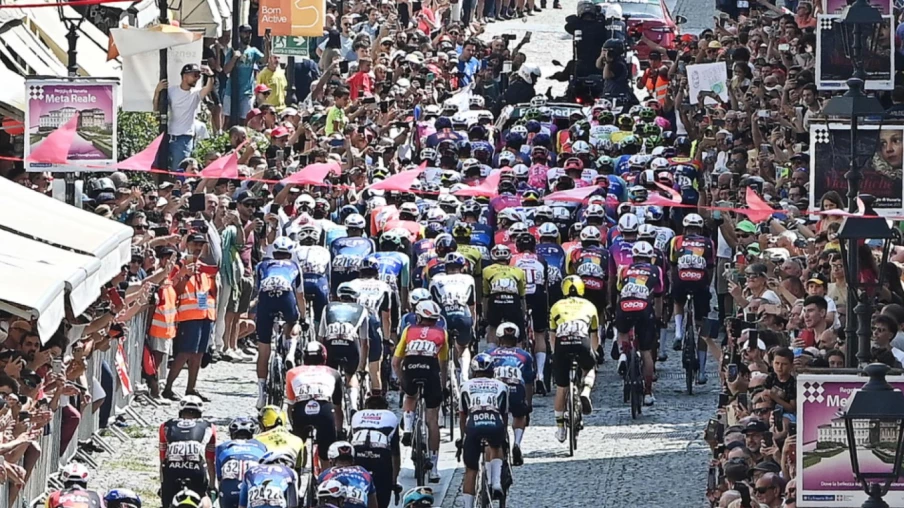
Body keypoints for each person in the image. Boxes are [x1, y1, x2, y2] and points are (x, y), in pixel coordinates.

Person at [392, 300, 448, 483]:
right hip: (430, 369)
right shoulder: (442, 333)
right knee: (432, 418)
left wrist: (402, 381)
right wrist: (443, 384)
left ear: (418, 316)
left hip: (411, 366)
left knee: (410, 395)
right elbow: (443, 362)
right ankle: (434, 467)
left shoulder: (409, 330)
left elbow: (395, 362)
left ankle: (408, 429)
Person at [162, 233, 218, 402]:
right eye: (195, 244)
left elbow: (210, 292)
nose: (198, 248)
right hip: (188, 316)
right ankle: (168, 388)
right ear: (188, 244)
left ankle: (191, 389)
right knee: (184, 352)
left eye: (201, 245)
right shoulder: (180, 265)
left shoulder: (204, 268)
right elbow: (174, 290)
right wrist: (185, 274)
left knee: (199, 354)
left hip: (205, 314)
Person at [254, 236, 307, 408]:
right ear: (290, 253)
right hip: (286, 296)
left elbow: (257, 290)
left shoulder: (261, 265)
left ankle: (262, 392)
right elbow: (300, 295)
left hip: (266, 299)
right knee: (294, 322)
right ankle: (290, 352)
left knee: (264, 348)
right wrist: (303, 318)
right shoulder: (294, 266)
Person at [613, 241, 665, 406]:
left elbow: (619, 291)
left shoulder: (624, 270)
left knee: (622, 331)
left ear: (633, 258)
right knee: (646, 352)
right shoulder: (657, 270)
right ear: (651, 258)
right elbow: (658, 296)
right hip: (644, 309)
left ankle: (623, 353)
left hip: (624, 307)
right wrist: (658, 317)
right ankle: (648, 392)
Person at [549, 276, 599, 442]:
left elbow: (552, 336)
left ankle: (560, 428)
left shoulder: (556, 306)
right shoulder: (590, 306)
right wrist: (594, 352)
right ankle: (585, 392)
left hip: (562, 343)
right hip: (582, 342)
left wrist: (556, 355)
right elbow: (594, 336)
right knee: (590, 368)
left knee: (561, 388)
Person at [669, 213, 715, 384]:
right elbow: (710, 267)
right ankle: (702, 371)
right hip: (700, 281)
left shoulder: (677, 240)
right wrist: (706, 287)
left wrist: (673, 286)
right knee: (702, 324)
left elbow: (672, 264)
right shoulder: (708, 242)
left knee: (678, 302)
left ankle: (679, 333)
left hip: (681, 279)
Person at [458, 353, 509, 507]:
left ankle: (468, 505)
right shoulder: (501, 386)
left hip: (473, 425)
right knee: (496, 445)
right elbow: (504, 414)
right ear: (492, 370)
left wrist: (463, 437)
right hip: (495, 422)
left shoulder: (465, 386)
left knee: (471, 470)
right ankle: (496, 483)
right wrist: (503, 436)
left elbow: (462, 415)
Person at [286, 341, 343, 465]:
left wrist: (294, 426)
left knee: (298, 444)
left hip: (301, 410)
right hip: (324, 410)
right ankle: (325, 476)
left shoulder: (292, 373)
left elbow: (290, 406)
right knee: (326, 454)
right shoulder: (334, 373)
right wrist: (339, 431)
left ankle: (298, 467)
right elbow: (338, 408)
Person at [319, 283, 370, 421]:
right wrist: (362, 366)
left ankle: (338, 426)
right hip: (350, 344)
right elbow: (365, 342)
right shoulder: (362, 309)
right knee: (351, 374)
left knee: (332, 379)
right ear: (355, 298)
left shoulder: (327, 308)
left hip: (331, 344)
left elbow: (320, 338)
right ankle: (353, 405)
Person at [487, 322, 534, 466]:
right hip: (516, 387)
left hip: (496, 389)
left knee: (498, 416)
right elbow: (529, 382)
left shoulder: (489, 354)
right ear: (517, 339)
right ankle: (517, 443)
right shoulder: (525, 356)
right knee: (519, 415)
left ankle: (498, 441)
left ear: (499, 338)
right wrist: (528, 404)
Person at [154, 63, 216, 171]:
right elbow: (157, 109)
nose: (197, 79)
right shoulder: (172, 91)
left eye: (199, 76)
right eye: (194, 75)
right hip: (168, 135)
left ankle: (177, 187)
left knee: (178, 170)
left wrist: (210, 75)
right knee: (156, 165)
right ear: (185, 76)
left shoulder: (196, 94)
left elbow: (208, 88)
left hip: (184, 138)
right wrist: (157, 91)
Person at [158, 396, 217, 508]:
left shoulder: (165, 426)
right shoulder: (210, 426)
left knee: (167, 502)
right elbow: (210, 460)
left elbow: (162, 459)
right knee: (203, 496)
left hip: (171, 469)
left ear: (180, 412)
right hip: (196, 470)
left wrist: (163, 484)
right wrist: (212, 486)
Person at [429, 252, 477, 381]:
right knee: (464, 346)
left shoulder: (435, 279)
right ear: (462, 267)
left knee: (443, 348)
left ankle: (444, 380)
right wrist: (473, 326)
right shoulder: (468, 279)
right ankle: (464, 374)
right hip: (463, 314)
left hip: (444, 316)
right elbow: (472, 306)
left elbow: (432, 306)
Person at [349, 395, 401, 508]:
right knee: (382, 492)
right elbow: (395, 453)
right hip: (380, 453)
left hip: (358, 451)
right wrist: (393, 481)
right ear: (386, 408)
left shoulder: (357, 415)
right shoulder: (390, 416)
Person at [216, 417, 267, 508]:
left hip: (229, 492)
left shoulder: (222, 447)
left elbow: (219, 478)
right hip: (252, 491)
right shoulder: (261, 447)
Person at [316, 441, 379, 508]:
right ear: (353, 460)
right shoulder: (364, 472)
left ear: (331, 461)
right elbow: (373, 504)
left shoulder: (326, 474)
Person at [251, 406, 306, 471]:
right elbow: (298, 468)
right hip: (287, 475)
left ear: (263, 423)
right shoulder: (298, 440)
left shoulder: (256, 439)